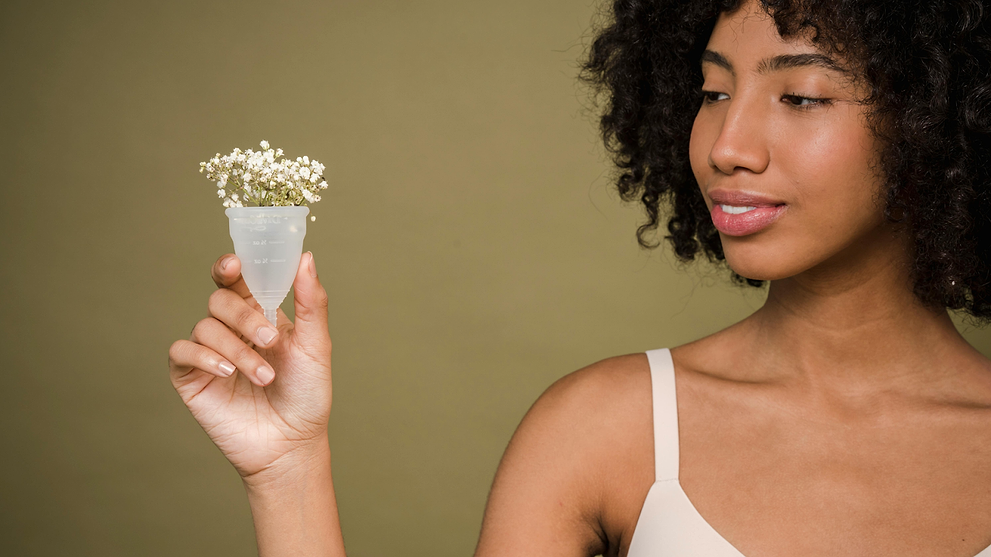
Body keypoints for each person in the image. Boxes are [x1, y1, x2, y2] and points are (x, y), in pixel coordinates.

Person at [168, 0, 991, 554]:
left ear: (939, 118)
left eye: (801, 96)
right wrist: (288, 468)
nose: (726, 144)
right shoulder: (603, 431)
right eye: (710, 92)